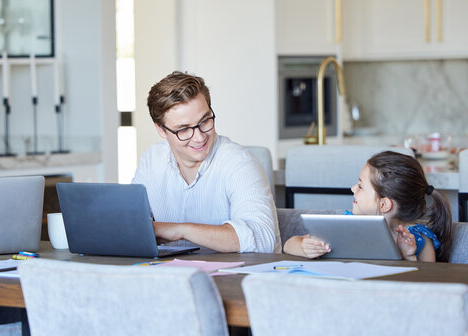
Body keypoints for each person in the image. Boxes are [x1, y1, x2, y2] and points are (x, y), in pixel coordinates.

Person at [132, 71, 280, 253]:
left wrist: (179, 230)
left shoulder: (240, 163)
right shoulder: (151, 161)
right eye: (184, 129)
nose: (199, 137)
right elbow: (132, 225)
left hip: (232, 277)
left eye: (205, 121)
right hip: (168, 275)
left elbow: (263, 239)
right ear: (161, 130)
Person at [283, 151, 453, 262]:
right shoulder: (345, 225)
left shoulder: (420, 239)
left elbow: (429, 287)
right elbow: (288, 244)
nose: (352, 189)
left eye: (361, 186)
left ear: (384, 204)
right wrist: (303, 248)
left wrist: (408, 257)